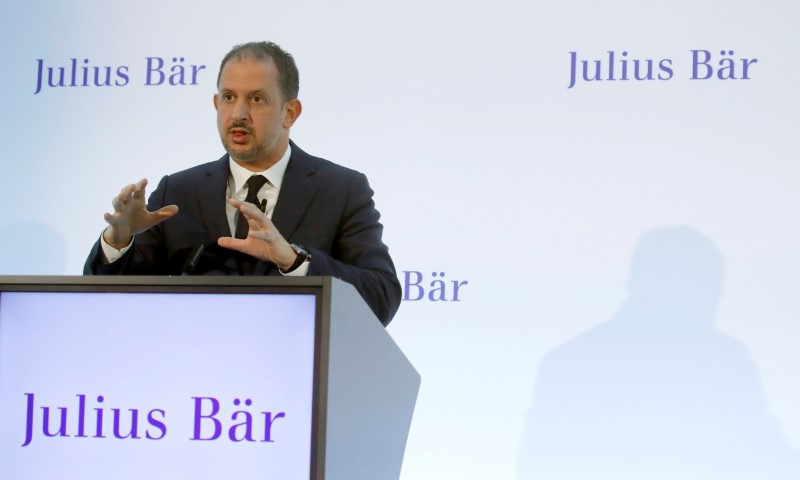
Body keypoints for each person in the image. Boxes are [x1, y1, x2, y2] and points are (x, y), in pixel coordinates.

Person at [84, 41, 400, 325]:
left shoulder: (340, 190)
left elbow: (381, 297)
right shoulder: (179, 192)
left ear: (290, 112)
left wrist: (294, 261)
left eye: (257, 99)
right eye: (229, 97)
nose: (238, 113)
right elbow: (113, 305)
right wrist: (117, 242)